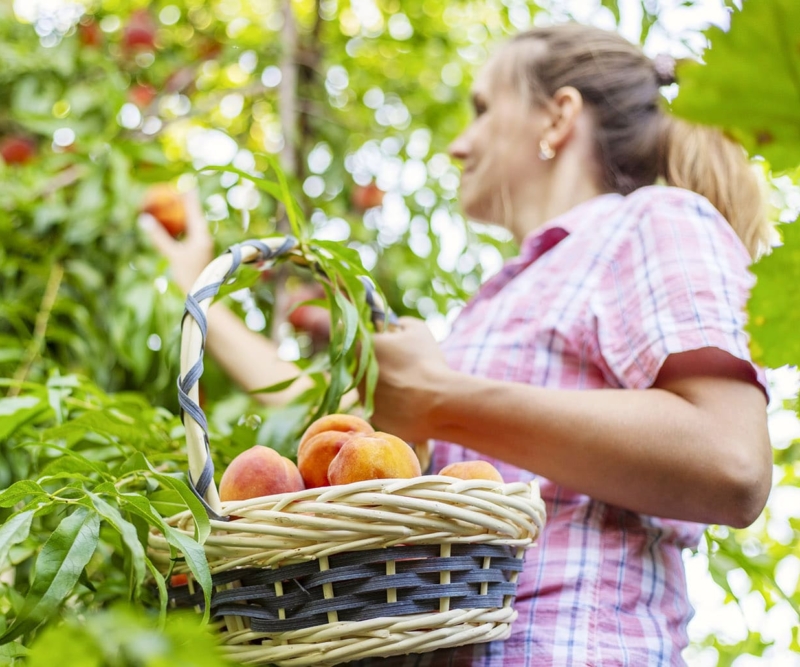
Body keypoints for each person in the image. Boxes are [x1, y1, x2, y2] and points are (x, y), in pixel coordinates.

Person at [144, 23, 773, 667]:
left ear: (557, 118)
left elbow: (731, 461)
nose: (456, 145)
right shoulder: (492, 307)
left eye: (481, 109)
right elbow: (335, 426)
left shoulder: (652, 220)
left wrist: (440, 397)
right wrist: (197, 296)